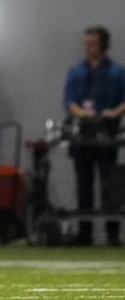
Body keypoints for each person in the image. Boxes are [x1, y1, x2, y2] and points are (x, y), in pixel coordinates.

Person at [63, 25, 125, 246]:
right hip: (84, 136)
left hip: (108, 133)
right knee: (84, 185)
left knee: (109, 185)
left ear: (103, 46)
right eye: (86, 43)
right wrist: (83, 114)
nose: (88, 48)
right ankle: (84, 233)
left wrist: (111, 113)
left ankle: (112, 233)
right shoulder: (77, 71)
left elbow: (123, 101)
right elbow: (70, 102)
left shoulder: (117, 72)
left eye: (93, 44)